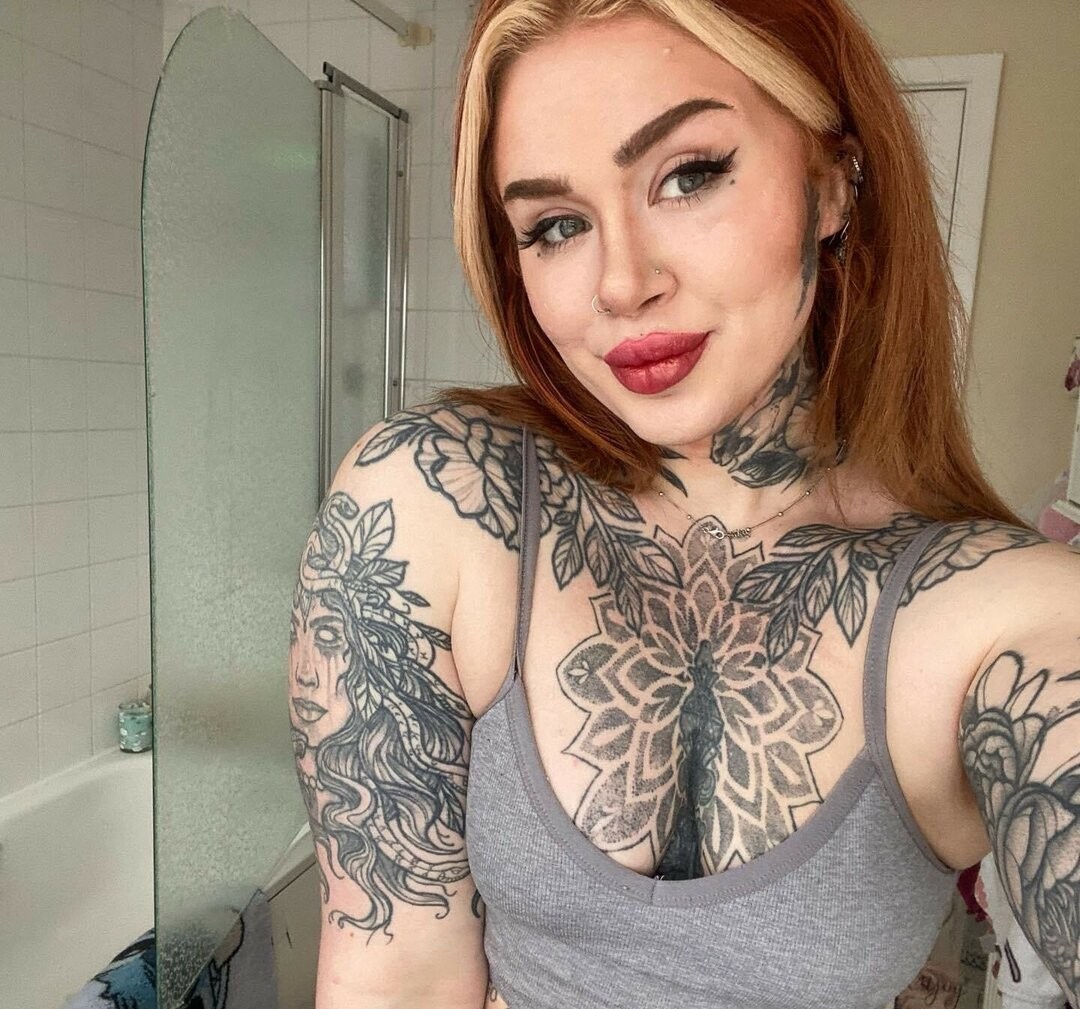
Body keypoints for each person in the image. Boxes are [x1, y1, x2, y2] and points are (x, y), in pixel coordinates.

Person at [288, 1, 1080, 1006]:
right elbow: (393, 973)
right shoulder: (436, 501)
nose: (621, 283)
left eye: (689, 175)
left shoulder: (998, 611)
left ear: (833, 180)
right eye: (556, 225)